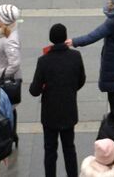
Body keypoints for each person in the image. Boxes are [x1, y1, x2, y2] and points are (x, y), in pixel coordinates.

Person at [30, 23, 87, 177]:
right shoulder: (76, 56)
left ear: (51, 39)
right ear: (64, 37)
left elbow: (34, 90)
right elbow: (81, 79)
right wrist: (70, 89)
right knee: (69, 148)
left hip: (50, 114)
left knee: (50, 150)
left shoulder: (44, 61)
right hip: (69, 110)